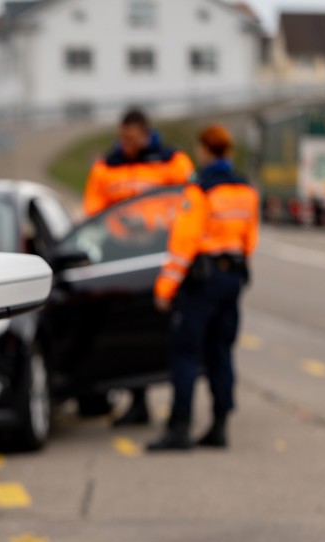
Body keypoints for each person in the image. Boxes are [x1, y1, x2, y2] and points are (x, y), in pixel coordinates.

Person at [148, 124, 260, 452]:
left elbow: (183, 243)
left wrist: (165, 289)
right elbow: (249, 239)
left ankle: (179, 428)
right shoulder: (246, 190)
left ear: (206, 150)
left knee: (185, 354)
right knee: (221, 352)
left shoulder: (200, 191)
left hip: (202, 282)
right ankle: (220, 424)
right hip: (232, 279)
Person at [81, 108, 195, 425]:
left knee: (171, 332)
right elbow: (93, 210)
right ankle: (138, 400)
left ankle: (179, 406)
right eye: (122, 138)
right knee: (131, 331)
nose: (126, 145)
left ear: (145, 133)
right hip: (122, 257)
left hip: (161, 256)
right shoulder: (107, 166)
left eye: (131, 138)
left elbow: (190, 201)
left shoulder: (172, 161)